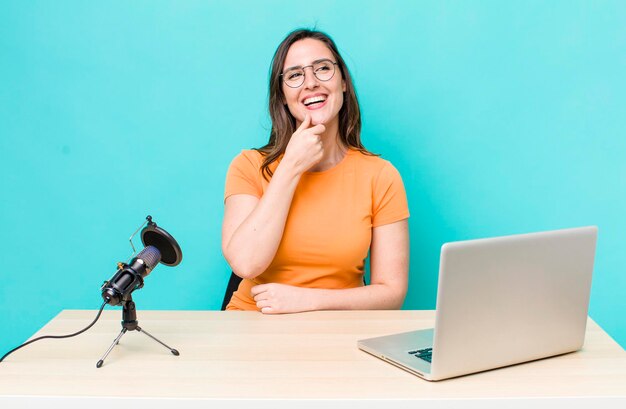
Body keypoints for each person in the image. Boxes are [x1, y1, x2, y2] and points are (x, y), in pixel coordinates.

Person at [222, 28, 409, 314]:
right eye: (295, 75)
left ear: (343, 82)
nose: (310, 83)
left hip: (338, 333)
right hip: (253, 328)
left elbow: (392, 293)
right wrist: (290, 168)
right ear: (282, 95)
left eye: (323, 68)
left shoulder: (381, 176)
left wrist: (309, 301)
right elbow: (246, 263)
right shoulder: (248, 165)